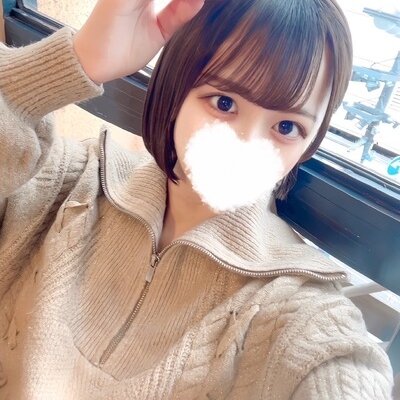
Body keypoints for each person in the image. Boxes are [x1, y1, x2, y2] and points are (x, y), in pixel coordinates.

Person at [0, 0, 394, 398]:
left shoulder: (298, 311)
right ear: (177, 89)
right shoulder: (67, 182)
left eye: (287, 127)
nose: (246, 146)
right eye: (224, 103)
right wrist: (79, 59)